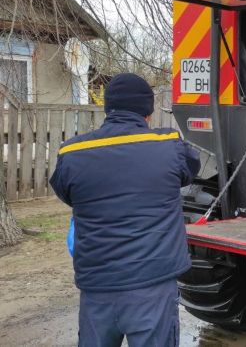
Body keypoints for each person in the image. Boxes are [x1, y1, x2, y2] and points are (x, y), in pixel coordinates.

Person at [49, 73, 200, 347]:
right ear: (148, 112)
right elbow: (191, 169)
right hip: (152, 289)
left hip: (97, 292)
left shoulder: (72, 152)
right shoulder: (169, 144)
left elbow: (66, 193)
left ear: (108, 108)